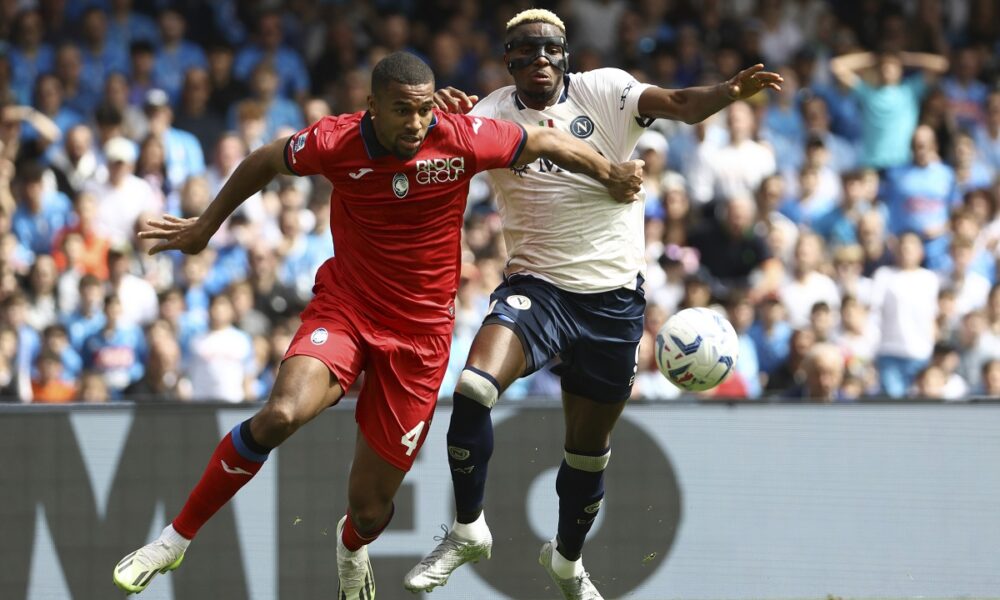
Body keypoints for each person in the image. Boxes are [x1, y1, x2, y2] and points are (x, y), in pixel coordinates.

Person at [110, 51, 642, 598]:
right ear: (372, 107)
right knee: (281, 413)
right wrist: (205, 227)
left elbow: (548, 141)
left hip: (420, 340)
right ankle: (174, 540)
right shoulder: (335, 141)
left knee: (369, 509)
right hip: (348, 308)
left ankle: (351, 546)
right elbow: (266, 159)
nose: (416, 124)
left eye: (423, 111)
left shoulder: (460, 138)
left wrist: (610, 172)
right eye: (401, 111)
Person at [402, 9, 781, 600]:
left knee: (587, 452)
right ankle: (468, 528)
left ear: (566, 53)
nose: (540, 59)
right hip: (538, 289)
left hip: (613, 304)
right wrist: (434, 113)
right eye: (525, 50)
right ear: (507, 60)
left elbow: (680, 104)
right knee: (474, 387)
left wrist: (729, 91)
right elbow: (420, 151)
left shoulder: (605, 90)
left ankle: (567, 561)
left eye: (549, 48)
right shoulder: (487, 116)